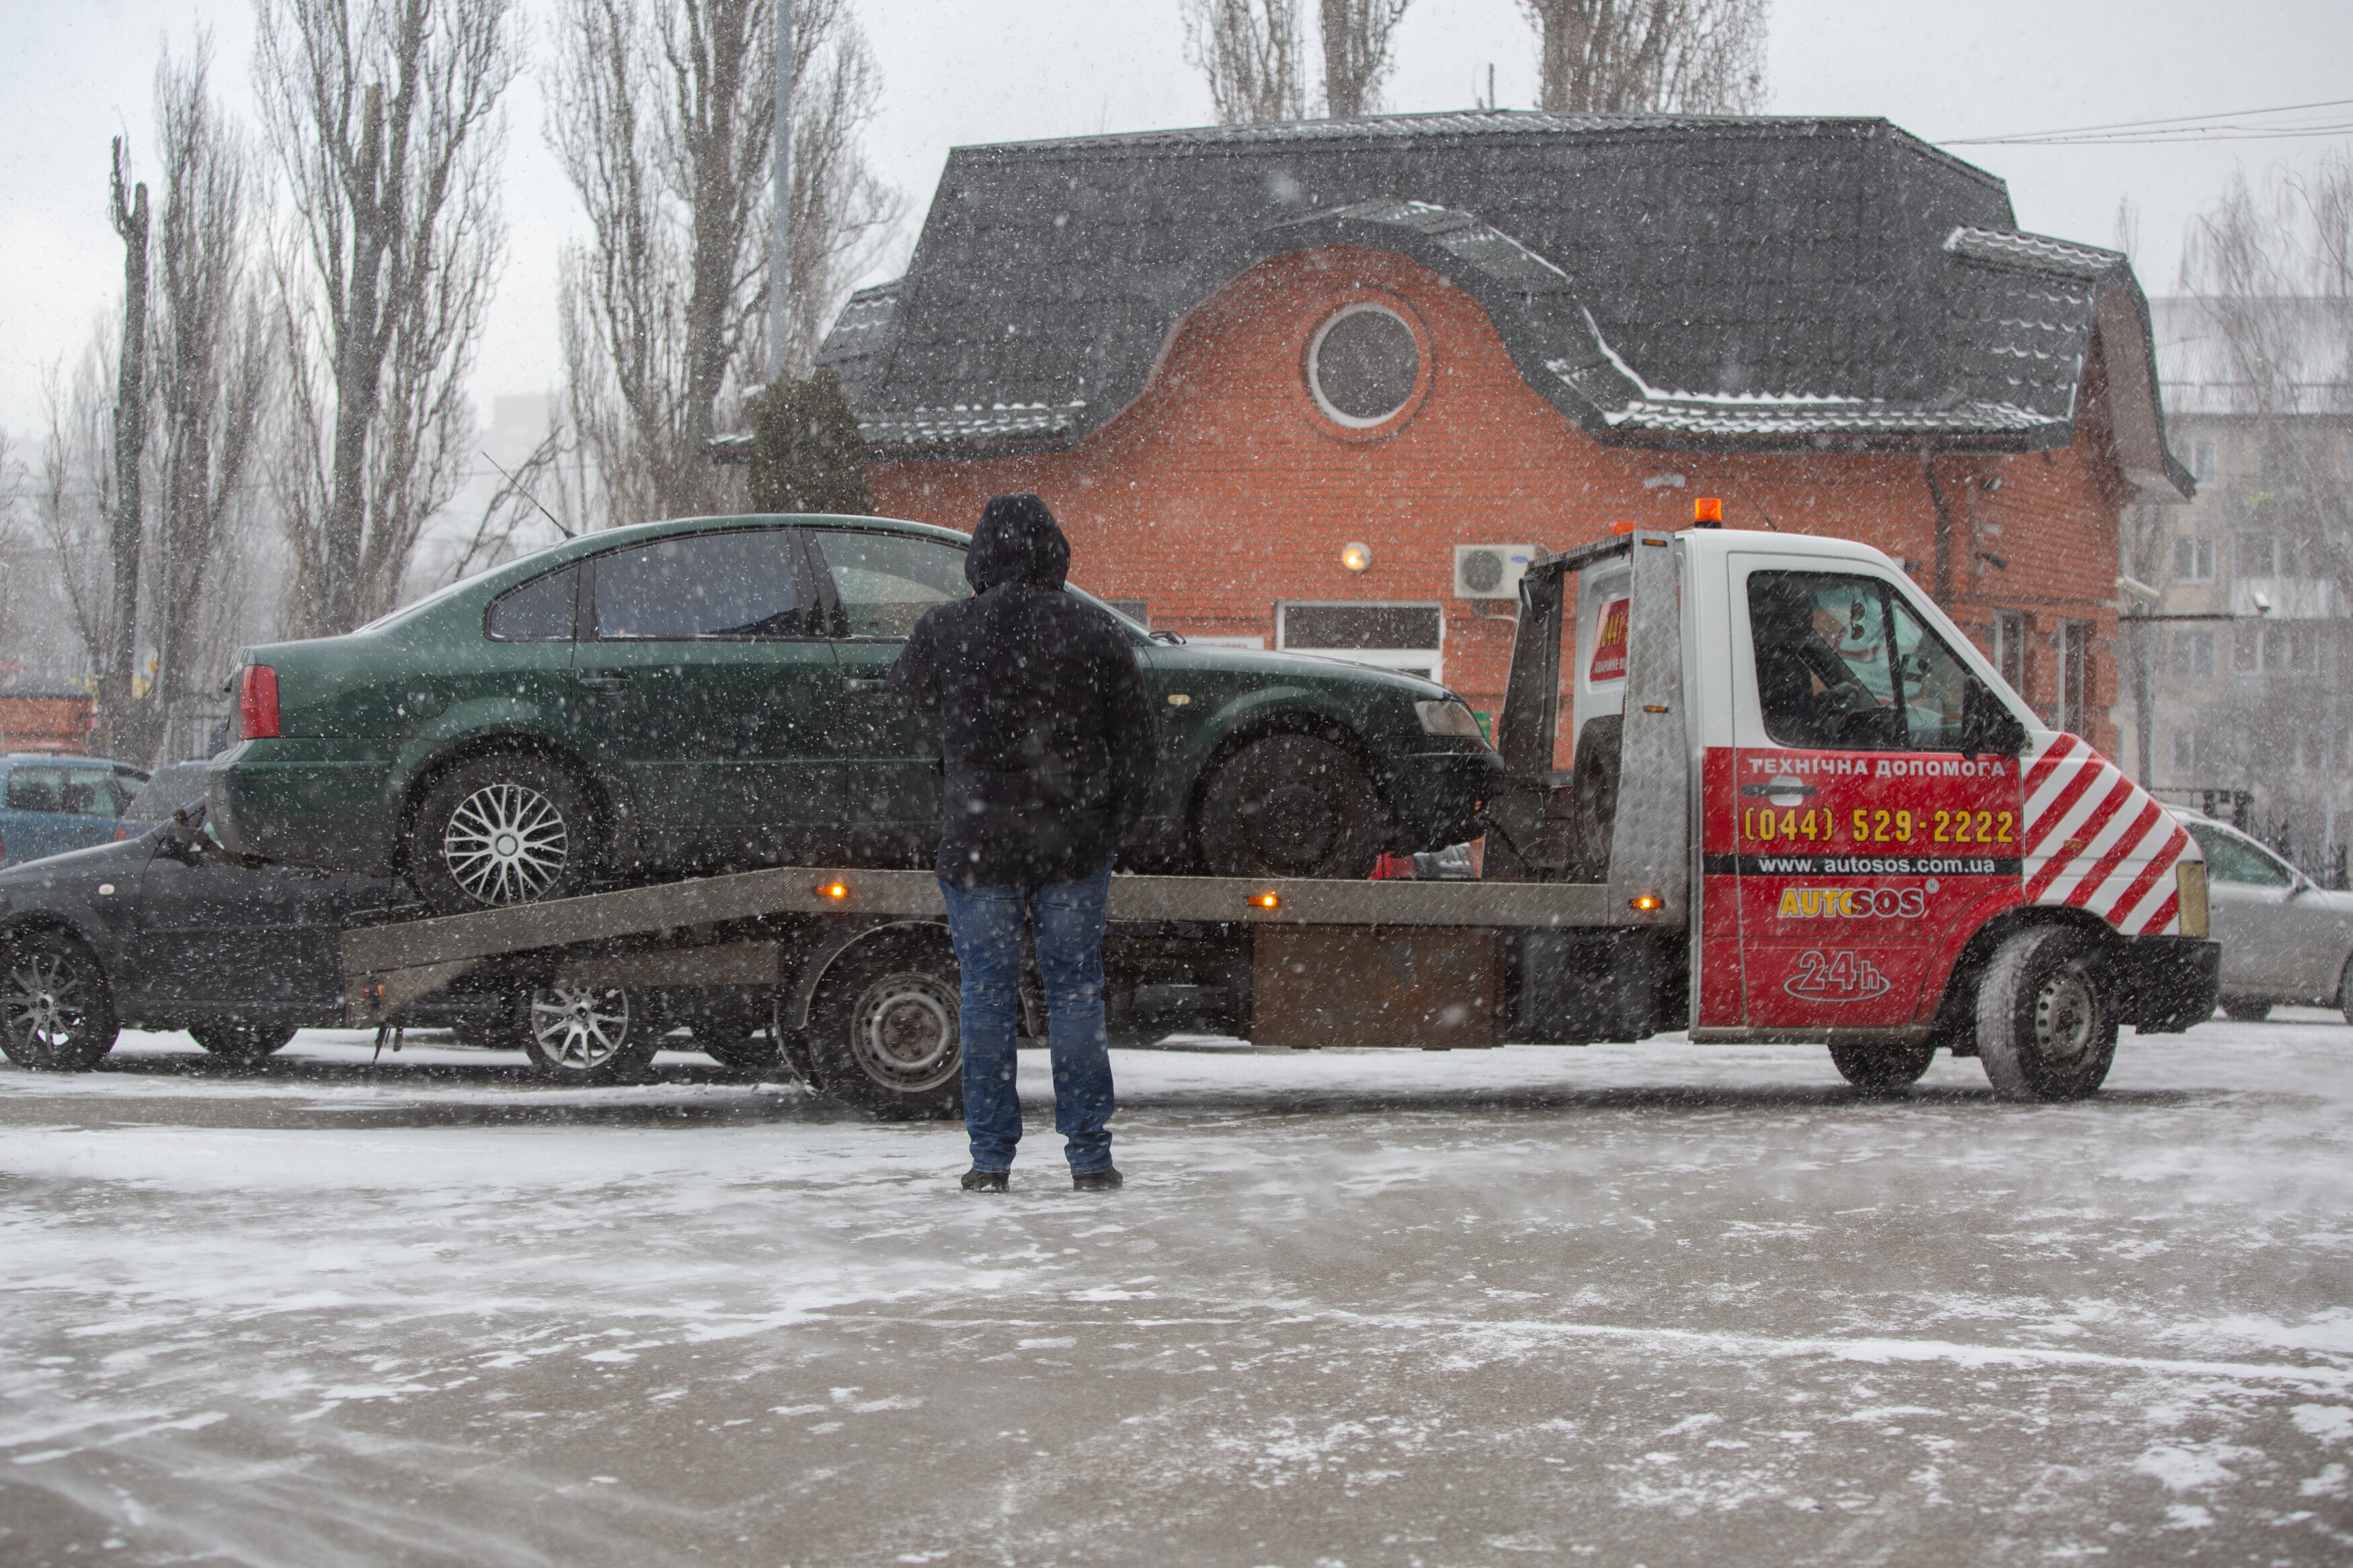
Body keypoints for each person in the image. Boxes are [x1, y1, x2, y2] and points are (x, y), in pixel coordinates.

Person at [888, 494, 1160, 1192]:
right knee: (1074, 993)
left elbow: (906, 699)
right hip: (1071, 844)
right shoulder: (1094, 629)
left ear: (979, 554)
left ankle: (989, 1160)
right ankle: (1090, 1156)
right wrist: (1110, 823)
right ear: (1056, 551)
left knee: (984, 994)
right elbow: (1136, 743)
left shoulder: (946, 628)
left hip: (977, 845)